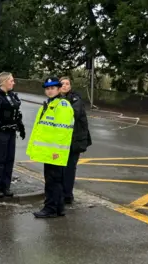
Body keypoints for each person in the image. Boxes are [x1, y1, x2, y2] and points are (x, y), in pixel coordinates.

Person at [27, 76, 74, 218]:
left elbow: (62, 131)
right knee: (54, 181)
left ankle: (50, 209)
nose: (49, 91)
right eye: (47, 89)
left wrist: (55, 151)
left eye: (53, 88)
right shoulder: (49, 105)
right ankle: (58, 208)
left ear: (59, 89)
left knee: (53, 182)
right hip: (49, 152)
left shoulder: (62, 106)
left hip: (55, 152)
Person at [60, 76, 92, 204]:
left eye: (67, 84)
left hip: (75, 140)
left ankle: (67, 195)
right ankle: (61, 192)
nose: (65, 86)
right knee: (61, 168)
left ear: (70, 86)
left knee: (69, 168)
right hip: (63, 140)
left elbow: (72, 114)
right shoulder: (57, 99)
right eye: (62, 84)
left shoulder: (75, 99)